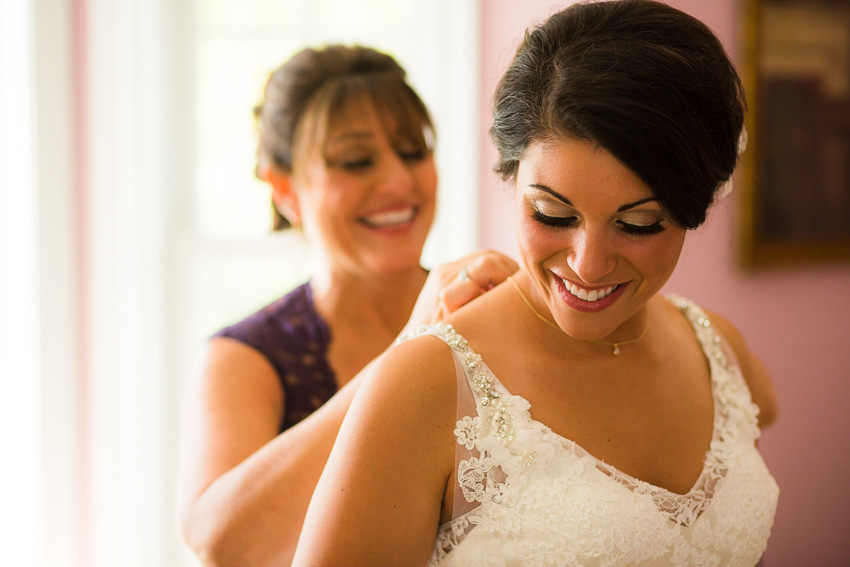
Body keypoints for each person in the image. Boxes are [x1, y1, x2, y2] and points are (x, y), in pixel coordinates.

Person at [291, 2, 779, 566]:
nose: (588, 265)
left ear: (700, 202)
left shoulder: (718, 351)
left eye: (638, 223)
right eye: (552, 214)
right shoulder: (426, 385)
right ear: (511, 176)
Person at [175, 44, 518, 567]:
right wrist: (411, 345)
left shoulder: (488, 312)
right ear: (284, 187)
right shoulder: (243, 357)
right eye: (356, 161)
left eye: (413, 151)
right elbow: (224, 545)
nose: (399, 182)